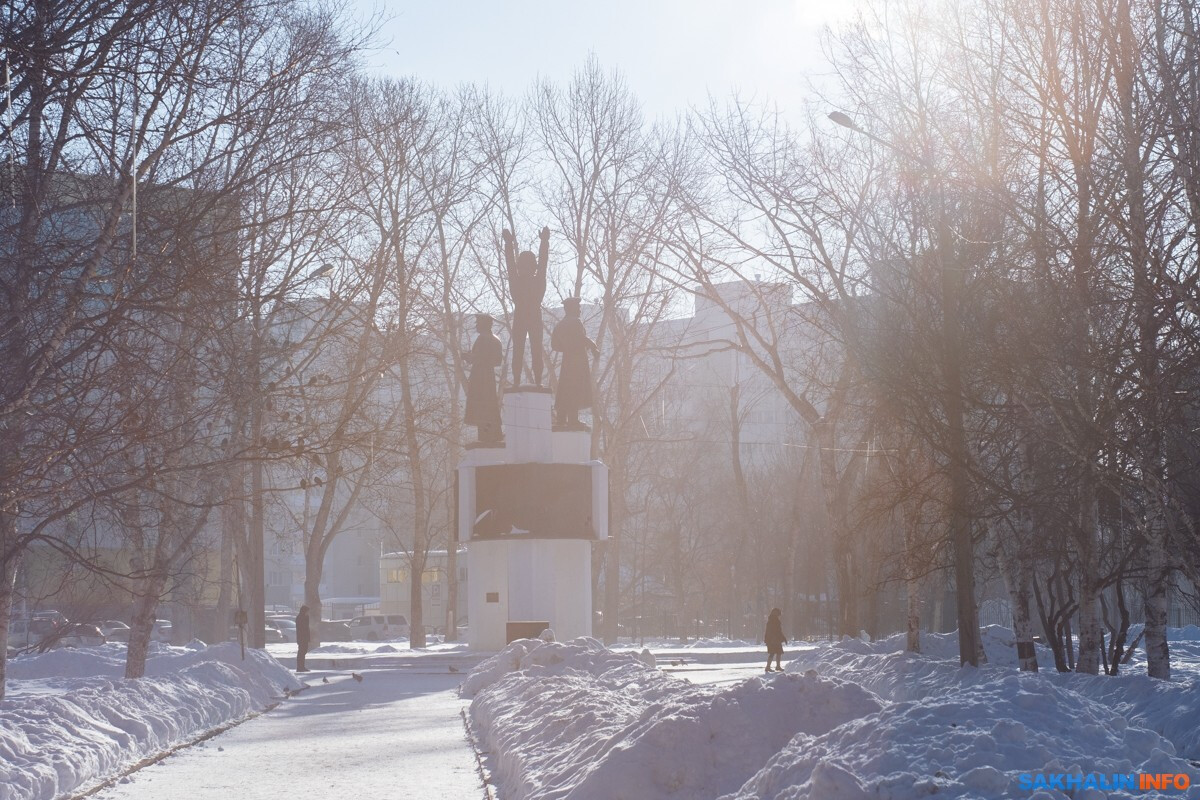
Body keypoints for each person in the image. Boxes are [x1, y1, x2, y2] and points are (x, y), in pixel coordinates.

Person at [502, 226, 549, 386]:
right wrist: (544, 242)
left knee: (527, 350)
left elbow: (543, 262)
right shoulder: (532, 280)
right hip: (528, 317)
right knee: (525, 350)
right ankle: (525, 381)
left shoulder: (530, 280)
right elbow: (543, 262)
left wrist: (544, 242)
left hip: (526, 317)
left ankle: (530, 381)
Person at [550, 297, 598, 428]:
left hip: (567, 361)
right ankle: (572, 419)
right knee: (575, 388)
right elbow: (581, 338)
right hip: (577, 361)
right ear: (571, 308)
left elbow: (554, 345)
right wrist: (593, 346)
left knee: (565, 388)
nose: (580, 310)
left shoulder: (560, 325)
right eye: (578, 307)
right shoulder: (576, 322)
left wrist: (566, 347)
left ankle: (561, 418)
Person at [464, 313, 503, 443]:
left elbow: (477, 358)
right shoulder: (496, 339)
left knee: (481, 404)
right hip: (489, 376)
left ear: (483, 324)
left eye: (478, 323)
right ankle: (494, 433)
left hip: (479, 376)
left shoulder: (482, 339)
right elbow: (498, 361)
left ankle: (484, 436)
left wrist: (465, 356)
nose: (476, 325)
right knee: (489, 403)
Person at [764, 607, 786, 672]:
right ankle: (768, 667)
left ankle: (778, 666)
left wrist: (783, 637)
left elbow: (779, 631)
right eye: (778, 614)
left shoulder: (775, 620)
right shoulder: (771, 620)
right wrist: (771, 639)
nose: (779, 615)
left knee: (778, 653)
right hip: (772, 640)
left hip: (776, 640)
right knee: (772, 653)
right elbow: (770, 631)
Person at [295, 605, 311, 673]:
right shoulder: (300, 618)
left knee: (304, 652)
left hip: (305, 638)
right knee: (301, 652)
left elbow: (307, 628)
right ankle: (299, 667)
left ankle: (302, 666)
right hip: (301, 638)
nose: (308, 613)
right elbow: (300, 629)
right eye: (307, 611)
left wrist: (308, 638)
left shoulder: (306, 617)